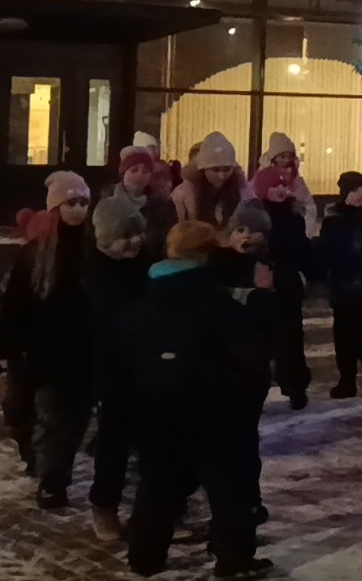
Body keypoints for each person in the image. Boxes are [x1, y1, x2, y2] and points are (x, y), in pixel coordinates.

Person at [107, 220, 271, 578]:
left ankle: (144, 555)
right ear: (206, 254)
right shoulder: (213, 300)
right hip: (213, 408)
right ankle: (234, 557)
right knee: (229, 486)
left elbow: (121, 360)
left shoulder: (144, 301)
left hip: (154, 408)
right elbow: (249, 351)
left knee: (157, 482)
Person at [0, 170, 96, 508]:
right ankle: (39, 462)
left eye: (83, 203)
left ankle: (54, 481)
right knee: (19, 413)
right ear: (55, 208)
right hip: (35, 351)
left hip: (76, 353)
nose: (78, 210)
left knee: (60, 421)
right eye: (71, 203)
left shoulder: (92, 251)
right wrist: (3, 348)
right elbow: (14, 304)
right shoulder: (35, 255)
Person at [85, 146, 160, 540]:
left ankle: (152, 510)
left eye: (135, 236)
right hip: (113, 369)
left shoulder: (145, 268)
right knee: (113, 441)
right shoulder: (95, 274)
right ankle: (105, 505)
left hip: (146, 365)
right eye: (122, 239)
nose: (130, 244)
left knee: (151, 443)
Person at [248, 166, 314, 409]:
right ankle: (257, 387)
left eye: (283, 185)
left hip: (287, 285)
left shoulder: (293, 216)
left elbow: (302, 250)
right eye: (274, 185)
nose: (280, 189)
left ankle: (295, 387)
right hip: (263, 284)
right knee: (260, 341)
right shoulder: (256, 217)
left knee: (291, 340)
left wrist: (308, 270)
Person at [318, 171, 362, 399]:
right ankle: (346, 381)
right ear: (344, 192)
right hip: (343, 287)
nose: (359, 195)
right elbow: (326, 252)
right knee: (345, 338)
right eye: (354, 190)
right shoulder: (334, 220)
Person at [252, 131, 319, 238]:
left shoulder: (296, 180)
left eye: (289, 156)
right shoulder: (262, 177)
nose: (286, 160)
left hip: (293, 232)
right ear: (274, 157)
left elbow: (309, 206)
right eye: (282, 156)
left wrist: (306, 232)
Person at [174, 132, 244, 228]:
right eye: (215, 170)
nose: (221, 176)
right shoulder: (183, 195)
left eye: (227, 170)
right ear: (203, 169)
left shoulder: (240, 190)